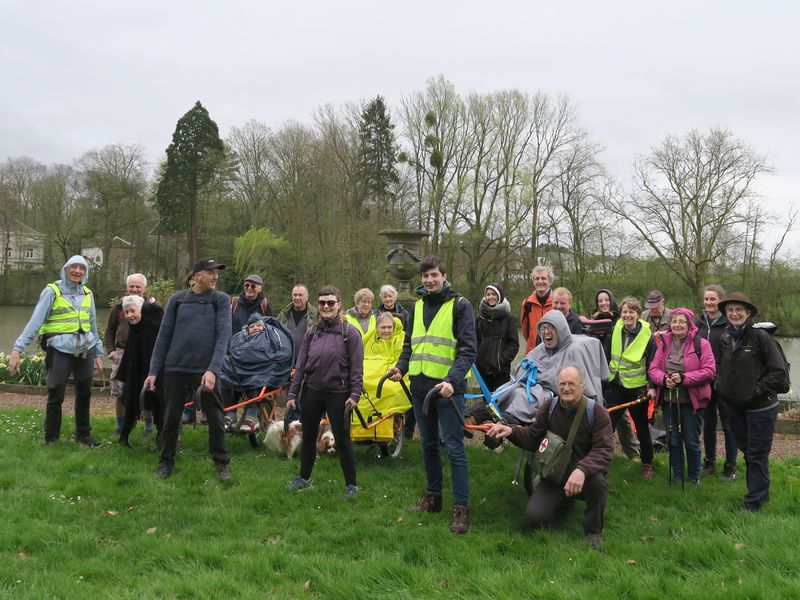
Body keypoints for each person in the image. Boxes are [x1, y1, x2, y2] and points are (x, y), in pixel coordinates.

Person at [387, 255, 477, 534]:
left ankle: (461, 508)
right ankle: (433, 497)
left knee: (454, 449)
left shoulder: (460, 306)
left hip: (448, 391)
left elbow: (468, 350)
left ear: (444, 275)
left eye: (434, 275)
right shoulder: (417, 306)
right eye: (425, 276)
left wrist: (452, 380)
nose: (429, 280)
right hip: (420, 389)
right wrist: (401, 367)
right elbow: (409, 346)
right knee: (427, 445)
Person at [486, 365, 613, 550]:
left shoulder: (597, 413)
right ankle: (564, 501)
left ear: (582, 387)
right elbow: (532, 438)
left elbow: (604, 450)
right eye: (562, 384)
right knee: (533, 519)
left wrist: (582, 470)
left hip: (584, 478)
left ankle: (594, 531)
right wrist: (510, 430)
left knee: (598, 484)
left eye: (572, 384)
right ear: (557, 385)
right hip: (554, 476)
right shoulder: (550, 407)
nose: (566, 388)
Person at [144, 258, 232, 482]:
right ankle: (166, 462)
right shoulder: (178, 299)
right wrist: (154, 371)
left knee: (215, 417)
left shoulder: (220, 300)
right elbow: (163, 338)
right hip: (175, 368)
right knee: (170, 418)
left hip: (206, 370)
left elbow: (223, 338)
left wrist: (213, 370)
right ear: (196, 276)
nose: (215, 276)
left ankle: (221, 463)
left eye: (217, 272)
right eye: (210, 272)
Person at [9, 255, 105, 446]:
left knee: (84, 392)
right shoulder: (52, 291)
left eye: (82, 268)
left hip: (86, 348)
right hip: (59, 349)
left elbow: (92, 324)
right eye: (74, 267)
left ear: (85, 273)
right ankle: (52, 437)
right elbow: (35, 322)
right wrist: (17, 349)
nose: (78, 271)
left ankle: (83, 435)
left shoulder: (88, 293)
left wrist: (99, 353)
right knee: (56, 393)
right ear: (66, 269)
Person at [286, 286, 364, 500]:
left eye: (331, 302)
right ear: (318, 306)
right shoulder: (312, 332)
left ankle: (351, 486)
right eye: (322, 303)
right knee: (309, 437)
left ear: (339, 304)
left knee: (342, 440)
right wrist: (293, 394)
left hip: (339, 394)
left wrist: (354, 395)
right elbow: (300, 365)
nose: (327, 306)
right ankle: (304, 479)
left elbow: (357, 368)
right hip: (311, 391)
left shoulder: (350, 333)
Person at [716, 293, 786, 511]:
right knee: (749, 452)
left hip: (760, 408)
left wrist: (754, 392)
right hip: (735, 407)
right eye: (730, 310)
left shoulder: (760, 337)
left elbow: (778, 372)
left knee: (757, 453)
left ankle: (754, 503)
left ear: (748, 313)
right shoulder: (726, 337)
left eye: (739, 310)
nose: (734, 313)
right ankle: (759, 495)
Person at [500, 310, 609, 426]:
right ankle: (494, 412)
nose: (546, 332)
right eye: (543, 328)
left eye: (551, 328)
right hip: (533, 390)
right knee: (513, 389)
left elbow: (561, 381)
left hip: (561, 400)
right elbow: (521, 369)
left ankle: (510, 420)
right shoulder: (542, 348)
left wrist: (537, 378)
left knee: (525, 395)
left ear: (560, 329)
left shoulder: (574, 350)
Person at [648, 308, 716, 485]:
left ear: (689, 324)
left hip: (691, 401)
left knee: (692, 441)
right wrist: (663, 380)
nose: (677, 325)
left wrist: (684, 378)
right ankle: (677, 476)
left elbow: (709, 371)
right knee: (674, 440)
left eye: (681, 322)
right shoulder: (664, 342)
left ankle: (694, 478)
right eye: (674, 321)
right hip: (669, 400)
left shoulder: (701, 344)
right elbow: (653, 369)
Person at [606, 297, 657, 476]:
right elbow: (606, 355)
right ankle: (601, 459)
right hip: (615, 386)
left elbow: (652, 363)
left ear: (637, 313)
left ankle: (647, 464)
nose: (627, 315)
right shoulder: (615, 329)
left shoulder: (646, 336)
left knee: (642, 427)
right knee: (606, 425)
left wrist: (652, 387)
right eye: (624, 312)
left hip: (637, 389)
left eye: (631, 312)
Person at [220, 314, 294, 433]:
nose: (255, 328)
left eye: (258, 325)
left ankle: (252, 412)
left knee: (255, 379)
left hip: (264, 370)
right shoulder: (238, 338)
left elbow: (284, 353)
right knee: (224, 376)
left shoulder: (273, 335)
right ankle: (230, 413)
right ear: (247, 329)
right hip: (240, 370)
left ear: (264, 327)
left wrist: (265, 361)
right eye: (252, 326)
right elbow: (229, 353)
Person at [105, 273, 156, 437]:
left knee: (148, 389)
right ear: (127, 288)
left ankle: (148, 428)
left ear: (144, 288)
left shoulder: (152, 306)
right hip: (122, 351)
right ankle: (120, 427)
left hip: (146, 353)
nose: (134, 289)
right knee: (120, 390)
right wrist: (111, 350)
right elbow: (110, 330)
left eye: (138, 286)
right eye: (131, 286)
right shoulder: (120, 307)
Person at [696, 284, 738, 481]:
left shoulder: (729, 323)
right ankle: (710, 462)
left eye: (712, 299)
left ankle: (731, 466)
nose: (709, 303)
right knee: (709, 422)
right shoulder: (699, 323)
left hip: (725, 381)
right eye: (706, 299)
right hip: (704, 382)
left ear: (721, 300)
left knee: (728, 424)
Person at [352, 312, 411, 444]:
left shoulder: (401, 338)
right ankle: (359, 426)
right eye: (383, 328)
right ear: (376, 328)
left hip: (392, 374)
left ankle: (387, 425)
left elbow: (402, 359)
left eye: (389, 327)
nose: (386, 331)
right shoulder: (369, 338)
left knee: (390, 390)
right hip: (370, 374)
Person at [114, 294, 164, 448]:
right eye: (127, 312)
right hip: (135, 371)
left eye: (133, 311)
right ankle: (124, 437)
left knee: (159, 404)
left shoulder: (154, 323)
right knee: (131, 403)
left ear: (142, 310)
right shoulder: (135, 327)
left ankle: (162, 439)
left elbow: (160, 313)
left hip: (155, 371)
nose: (129, 315)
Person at [474, 283, 519, 392]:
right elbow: (475, 341)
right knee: (486, 403)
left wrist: (502, 359)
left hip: (501, 370)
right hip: (483, 369)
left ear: (500, 296)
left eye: (494, 294)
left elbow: (514, 344)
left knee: (502, 402)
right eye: (488, 294)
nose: (490, 297)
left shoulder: (509, 319)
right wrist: (478, 358)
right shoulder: (479, 319)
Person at [277, 284, 317, 360]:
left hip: (307, 362)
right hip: (285, 363)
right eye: (295, 295)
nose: (297, 298)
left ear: (307, 297)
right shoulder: (283, 315)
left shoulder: (315, 316)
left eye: (300, 295)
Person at [521, 265, 555, 354]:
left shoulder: (557, 303)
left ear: (550, 281)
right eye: (537, 278)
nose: (540, 281)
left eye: (543, 278)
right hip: (533, 352)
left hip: (554, 352)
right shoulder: (527, 303)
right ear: (533, 281)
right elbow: (525, 331)